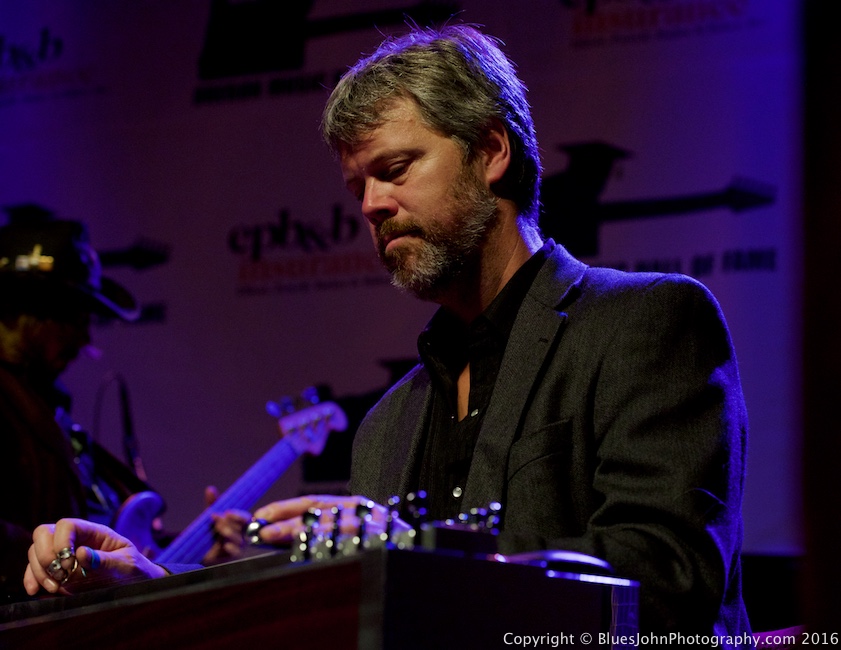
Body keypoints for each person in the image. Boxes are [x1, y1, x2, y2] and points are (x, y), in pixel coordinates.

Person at [23, 25, 750, 636]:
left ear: (491, 152)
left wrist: (414, 554)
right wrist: (148, 586)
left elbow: (669, 581)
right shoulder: (386, 425)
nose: (371, 204)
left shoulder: (646, 321)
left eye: (395, 169)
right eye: (357, 187)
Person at [0, 217, 155, 600]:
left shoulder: (48, 404)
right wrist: (60, 559)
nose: (85, 337)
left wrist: (189, 551)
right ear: (29, 312)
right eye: (74, 318)